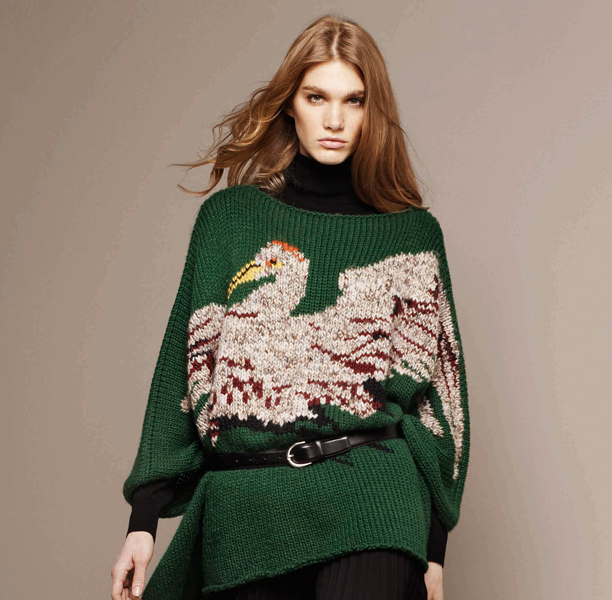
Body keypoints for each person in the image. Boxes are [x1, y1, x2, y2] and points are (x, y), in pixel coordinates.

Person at [111, 14, 470, 600]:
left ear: (372, 112)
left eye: (354, 101)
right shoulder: (230, 221)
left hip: (372, 503)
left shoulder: (412, 236)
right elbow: (185, 369)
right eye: (316, 97)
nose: (335, 121)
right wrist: (142, 523)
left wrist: (433, 550)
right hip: (247, 511)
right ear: (290, 105)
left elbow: (440, 400)